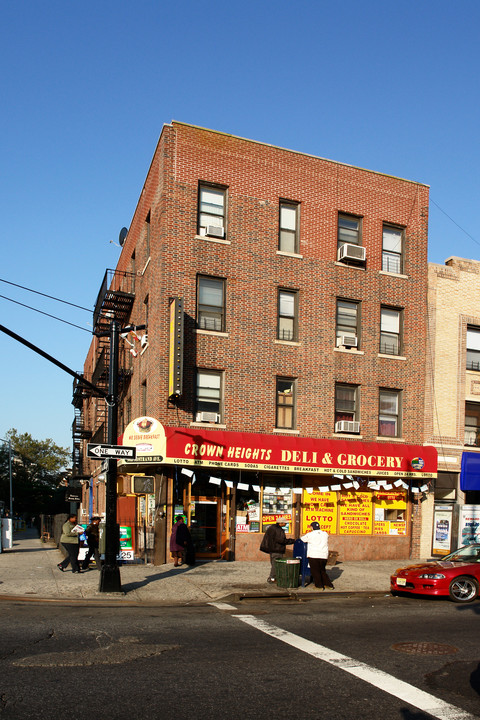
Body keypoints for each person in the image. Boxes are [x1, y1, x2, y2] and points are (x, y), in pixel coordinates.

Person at [300, 521, 334, 590]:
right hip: (324, 555)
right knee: (322, 571)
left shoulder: (310, 534)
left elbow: (302, 539)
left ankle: (319, 586)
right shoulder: (325, 534)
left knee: (315, 571)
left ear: (311, 527)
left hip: (314, 555)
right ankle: (328, 585)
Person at [260, 518, 295, 584]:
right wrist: (292, 541)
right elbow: (281, 540)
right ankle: (272, 578)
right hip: (277, 549)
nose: (286, 524)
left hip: (272, 549)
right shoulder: (278, 530)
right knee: (275, 565)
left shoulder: (272, 527)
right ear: (280, 523)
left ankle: (273, 578)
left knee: (274, 564)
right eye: (285, 523)